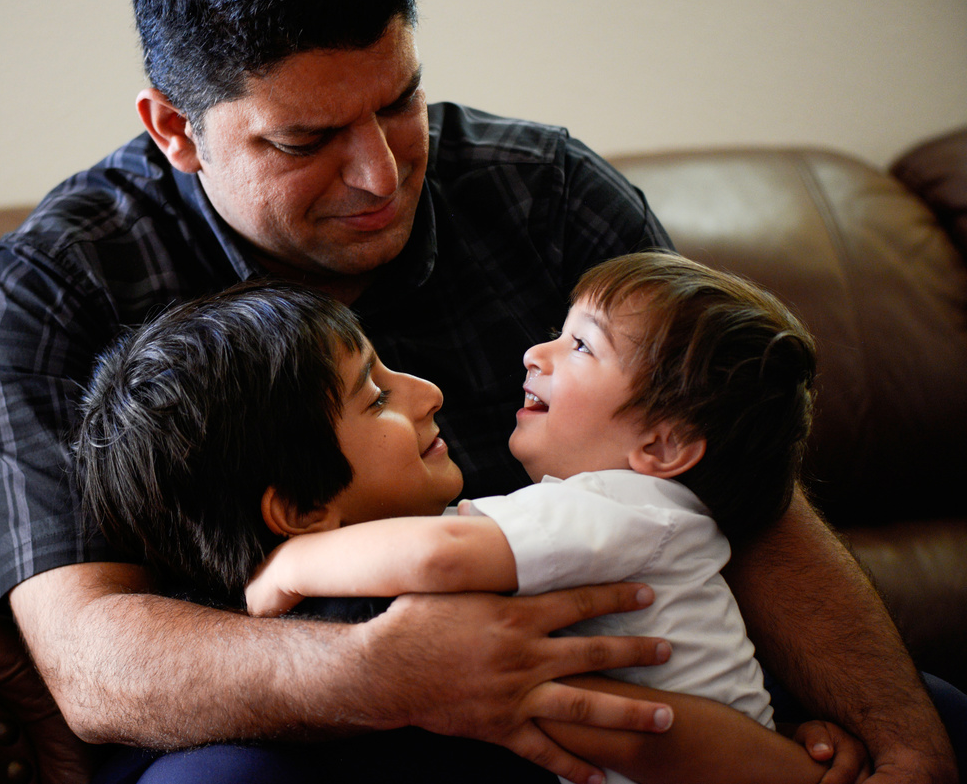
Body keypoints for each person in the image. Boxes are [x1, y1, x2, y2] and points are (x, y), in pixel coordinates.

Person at [0, 0, 957, 781]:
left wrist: (904, 744)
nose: (381, 174)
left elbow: (727, 478)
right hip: (292, 728)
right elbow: (89, 657)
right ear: (176, 129)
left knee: (936, 721)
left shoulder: (541, 189)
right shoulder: (57, 285)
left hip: (610, 667)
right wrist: (380, 672)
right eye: (306, 141)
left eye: (399, 103)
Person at [74, 277, 852, 784]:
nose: (429, 392)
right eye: (376, 397)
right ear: (303, 514)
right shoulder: (443, 589)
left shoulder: (577, 521)